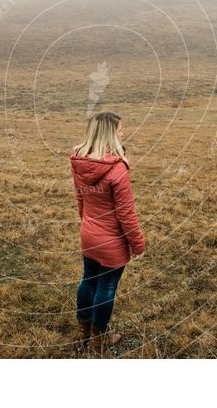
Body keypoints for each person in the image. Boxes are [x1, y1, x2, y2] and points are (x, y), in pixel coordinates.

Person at [70, 111, 146, 357]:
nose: (123, 132)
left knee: (87, 280)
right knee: (106, 287)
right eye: (119, 129)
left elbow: (81, 199)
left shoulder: (79, 161)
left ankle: (84, 333)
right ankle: (98, 341)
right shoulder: (117, 169)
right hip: (111, 240)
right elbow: (126, 214)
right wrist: (138, 245)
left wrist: (88, 224)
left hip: (89, 234)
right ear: (109, 134)